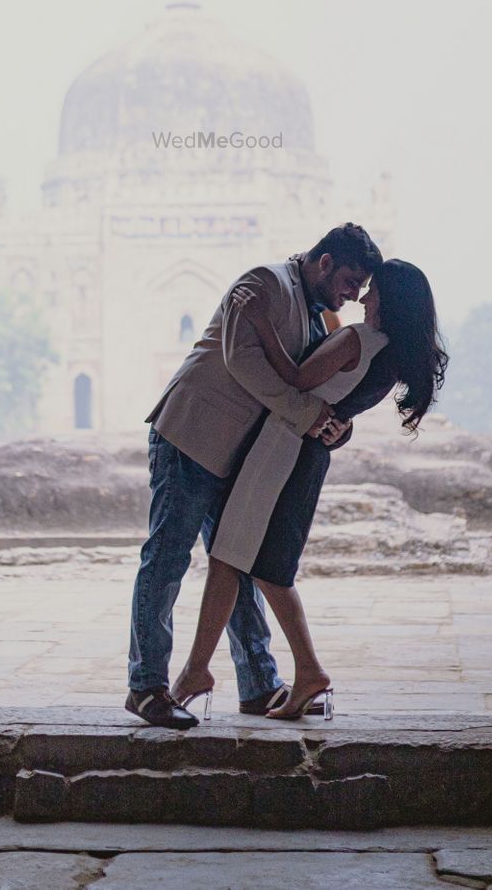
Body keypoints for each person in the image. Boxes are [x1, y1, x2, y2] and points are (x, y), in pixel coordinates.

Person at [125, 223, 383, 729]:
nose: (353, 296)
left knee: (235, 560)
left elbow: (322, 386)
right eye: (350, 282)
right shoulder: (265, 283)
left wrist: (335, 427)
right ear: (325, 262)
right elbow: (241, 360)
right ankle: (146, 686)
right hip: (192, 434)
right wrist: (305, 413)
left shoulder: (316, 311)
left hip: (239, 452)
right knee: (167, 557)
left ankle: (258, 684)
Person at [172, 258, 448, 721]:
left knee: (237, 558)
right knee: (248, 562)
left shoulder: (358, 339)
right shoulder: (389, 352)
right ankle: (263, 670)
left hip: (280, 449)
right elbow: (339, 391)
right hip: (302, 452)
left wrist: (260, 321)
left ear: (389, 299)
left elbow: (296, 378)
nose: (363, 297)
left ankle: (216, 671)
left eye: (371, 289)